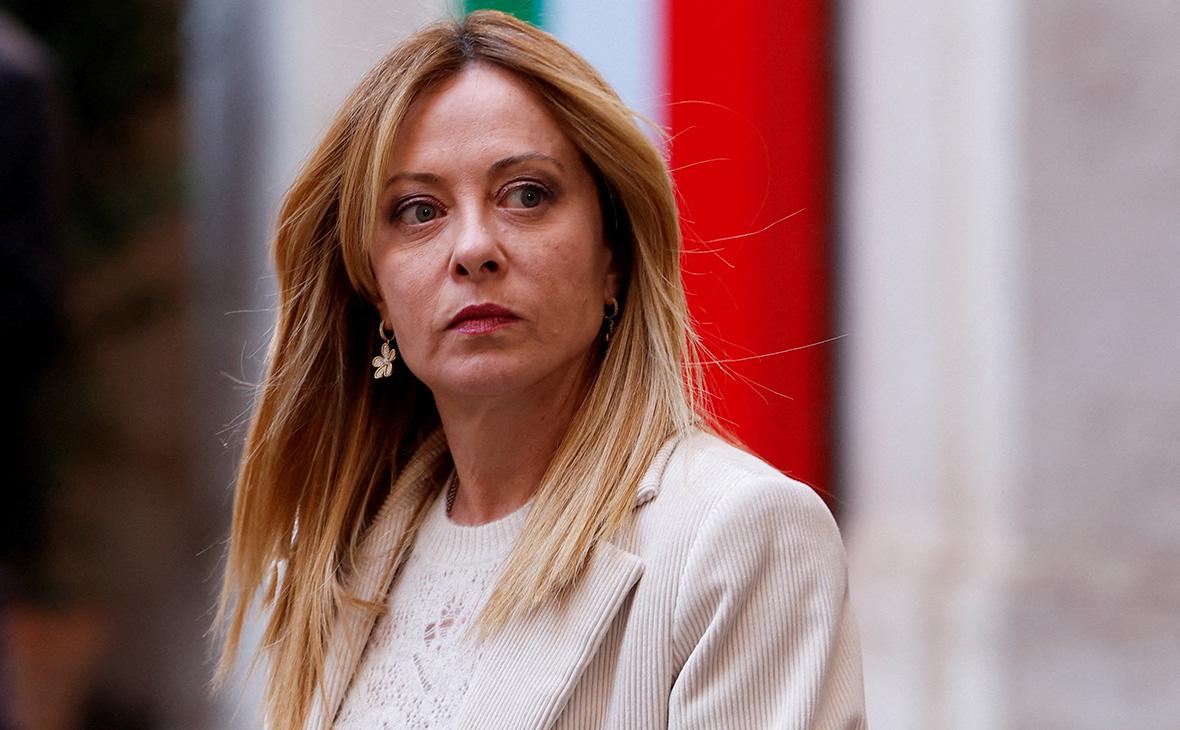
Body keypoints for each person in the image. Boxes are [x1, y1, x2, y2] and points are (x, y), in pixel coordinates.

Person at [215, 10, 865, 729]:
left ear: (613, 253)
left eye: (526, 194)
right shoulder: (342, 563)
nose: (473, 248)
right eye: (419, 211)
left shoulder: (738, 535)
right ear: (375, 290)